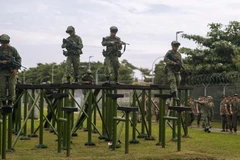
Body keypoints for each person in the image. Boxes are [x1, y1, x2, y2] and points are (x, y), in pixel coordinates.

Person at [0, 34, 22, 107]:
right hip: (2, 71)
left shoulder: (13, 49)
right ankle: (3, 102)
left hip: (11, 71)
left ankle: (10, 102)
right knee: (1, 87)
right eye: (2, 42)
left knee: (12, 86)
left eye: (5, 42)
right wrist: (2, 62)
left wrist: (16, 68)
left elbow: (18, 58)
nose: (4, 44)